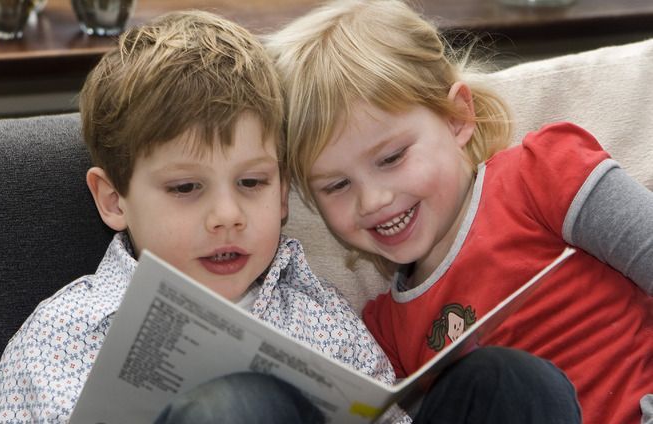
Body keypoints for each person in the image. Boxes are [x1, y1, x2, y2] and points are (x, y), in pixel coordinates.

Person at [0, 10, 404, 424]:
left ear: (283, 193)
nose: (227, 216)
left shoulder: (321, 317)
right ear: (113, 200)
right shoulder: (61, 338)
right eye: (185, 188)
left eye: (252, 183)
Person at [265, 1, 653, 423]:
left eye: (392, 157)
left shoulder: (539, 175)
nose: (373, 200)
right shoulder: (384, 333)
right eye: (337, 185)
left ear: (457, 118)